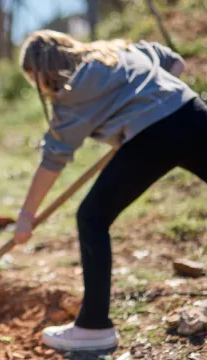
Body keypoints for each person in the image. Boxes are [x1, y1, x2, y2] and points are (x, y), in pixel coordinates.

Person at [13, 29, 205, 351]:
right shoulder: (117, 52)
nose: (40, 89)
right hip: (192, 111)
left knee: (92, 217)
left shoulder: (69, 94)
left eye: (35, 81)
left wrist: (25, 216)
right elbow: (174, 62)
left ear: (41, 72)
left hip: (154, 137)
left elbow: (53, 161)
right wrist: (144, 102)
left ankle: (93, 328)